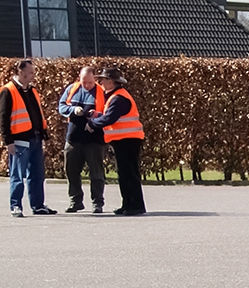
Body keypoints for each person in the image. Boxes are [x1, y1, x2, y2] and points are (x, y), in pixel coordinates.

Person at [1, 58, 57, 217]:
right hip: (19, 140)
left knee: (37, 174)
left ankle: (38, 205)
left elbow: (38, 114)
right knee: (17, 175)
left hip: (35, 138)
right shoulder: (8, 91)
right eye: (30, 72)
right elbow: (3, 118)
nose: (33, 75)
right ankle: (15, 205)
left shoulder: (32, 91)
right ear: (20, 71)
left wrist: (44, 133)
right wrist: (8, 142)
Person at [90, 66, 145, 216]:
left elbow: (110, 118)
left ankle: (135, 205)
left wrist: (92, 124)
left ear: (110, 81)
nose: (100, 82)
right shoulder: (115, 96)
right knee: (125, 173)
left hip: (128, 140)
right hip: (124, 140)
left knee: (129, 173)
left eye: (102, 79)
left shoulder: (119, 98)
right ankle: (128, 204)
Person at [58, 65, 106, 214]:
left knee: (96, 173)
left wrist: (95, 115)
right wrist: (73, 110)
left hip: (94, 139)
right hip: (73, 138)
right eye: (83, 81)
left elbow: (107, 113)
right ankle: (75, 201)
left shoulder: (101, 92)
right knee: (71, 171)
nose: (86, 85)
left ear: (94, 79)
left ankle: (97, 202)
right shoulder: (72, 89)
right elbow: (61, 107)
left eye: (89, 82)